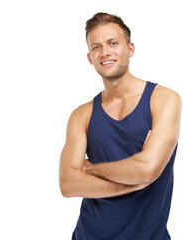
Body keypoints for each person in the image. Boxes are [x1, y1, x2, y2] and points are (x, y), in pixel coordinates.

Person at [59, 12, 182, 240]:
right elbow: (67, 184)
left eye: (113, 43)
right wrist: (131, 183)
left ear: (130, 48)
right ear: (89, 57)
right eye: (96, 47)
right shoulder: (82, 115)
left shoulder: (163, 100)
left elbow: (147, 170)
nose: (105, 52)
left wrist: (89, 168)